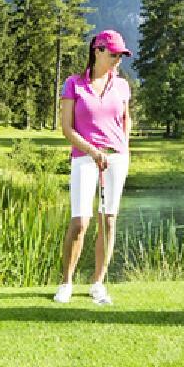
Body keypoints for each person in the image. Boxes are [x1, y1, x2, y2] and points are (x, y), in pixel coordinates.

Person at [53, 29, 134, 306]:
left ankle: (98, 284)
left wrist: (124, 148)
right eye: (113, 54)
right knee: (80, 222)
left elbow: (126, 119)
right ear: (97, 51)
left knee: (108, 220)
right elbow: (67, 128)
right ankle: (66, 283)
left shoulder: (121, 86)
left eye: (121, 56)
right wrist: (93, 151)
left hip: (116, 159)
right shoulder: (74, 84)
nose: (117, 60)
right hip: (85, 157)